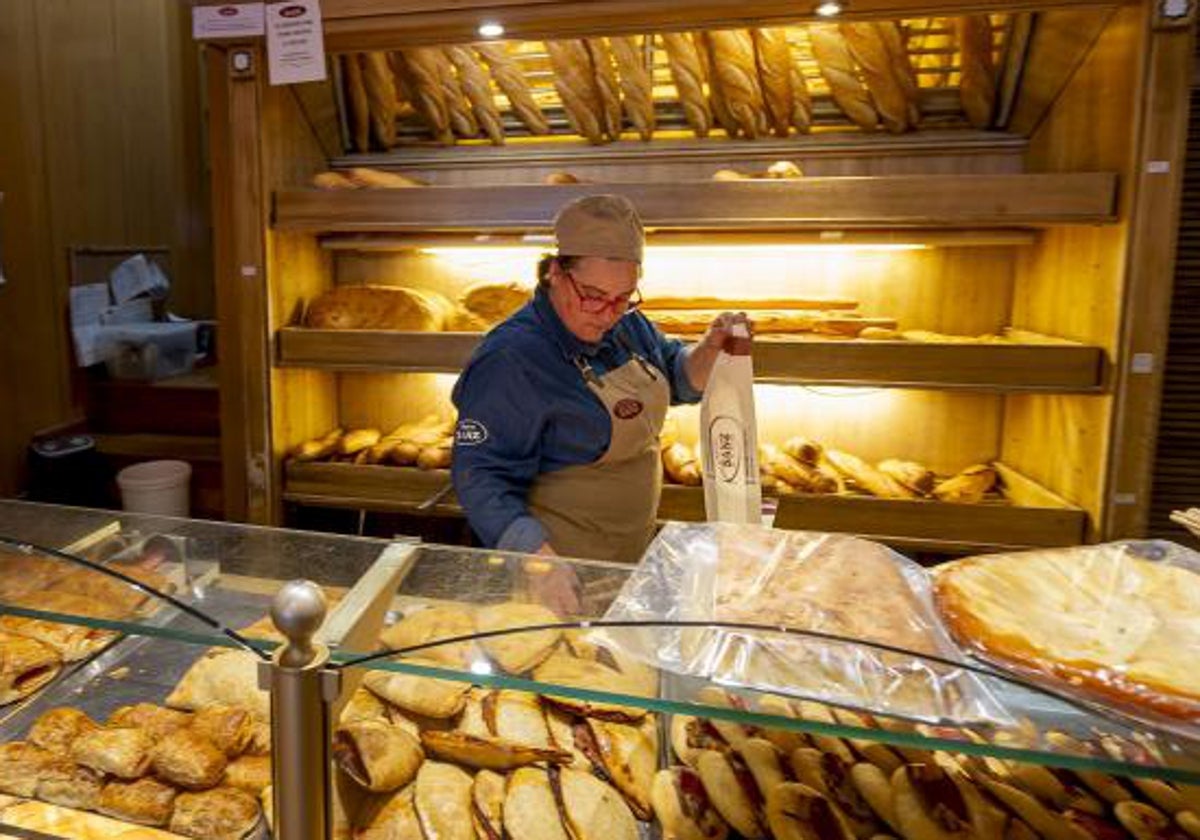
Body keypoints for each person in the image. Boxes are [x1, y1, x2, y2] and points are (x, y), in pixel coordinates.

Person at [450, 194, 748, 568]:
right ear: (555, 274)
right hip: (559, 570)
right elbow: (480, 475)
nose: (608, 314)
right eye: (593, 297)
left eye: (622, 298)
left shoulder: (625, 324)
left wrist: (709, 348)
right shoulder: (512, 358)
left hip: (626, 556)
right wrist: (537, 563)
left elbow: (674, 374)